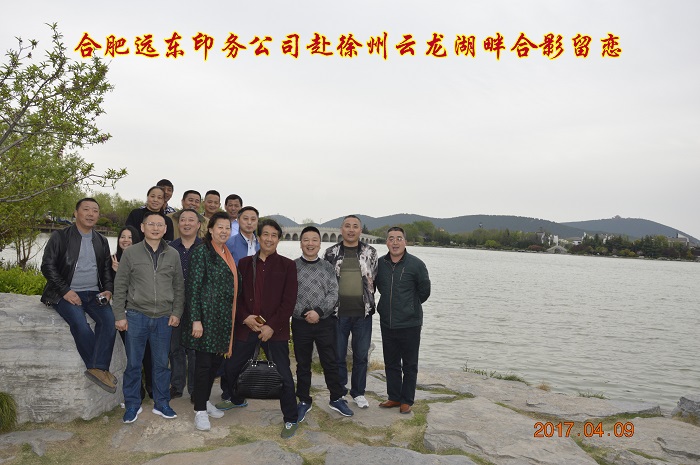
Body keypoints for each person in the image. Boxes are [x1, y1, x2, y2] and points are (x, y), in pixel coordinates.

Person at [219, 219, 299, 439]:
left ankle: (291, 418)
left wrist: (271, 326)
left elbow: (289, 301)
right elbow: (237, 296)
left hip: (275, 330)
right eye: (265, 234)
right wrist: (245, 317)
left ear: (278, 239)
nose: (269, 239)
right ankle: (237, 399)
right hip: (248, 326)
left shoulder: (287, 265)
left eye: (274, 235)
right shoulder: (245, 264)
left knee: (283, 375)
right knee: (231, 366)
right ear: (258, 237)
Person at [113, 210, 185, 424]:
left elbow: (179, 286)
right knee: (134, 364)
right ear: (143, 228)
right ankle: (132, 404)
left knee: (161, 364)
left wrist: (176, 312)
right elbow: (120, 285)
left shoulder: (173, 254)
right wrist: (119, 315)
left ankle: (162, 403)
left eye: (159, 225)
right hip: (136, 315)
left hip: (164, 317)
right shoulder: (131, 253)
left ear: (165, 229)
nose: (155, 228)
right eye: (151, 224)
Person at [40, 198, 117, 393]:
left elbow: (106, 270)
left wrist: (108, 289)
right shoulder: (60, 236)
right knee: (80, 324)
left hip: (95, 293)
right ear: (76, 213)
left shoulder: (101, 240)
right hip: (65, 292)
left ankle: (97, 368)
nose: (91, 214)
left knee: (109, 321)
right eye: (86, 209)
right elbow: (47, 266)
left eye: (95, 210)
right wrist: (65, 291)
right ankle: (100, 368)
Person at [181, 212, 239, 431]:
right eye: (220, 227)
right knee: (204, 366)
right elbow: (193, 288)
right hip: (205, 319)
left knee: (215, 364)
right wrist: (196, 320)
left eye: (227, 228)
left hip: (222, 319)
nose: (224, 231)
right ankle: (200, 411)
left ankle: (204, 400)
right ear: (211, 230)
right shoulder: (201, 252)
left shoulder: (226, 253)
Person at [293, 226, 353, 421]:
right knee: (303, 364)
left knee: (330, 361)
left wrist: (318, 312)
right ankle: (304, 400)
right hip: (300, 322)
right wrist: (305, 312)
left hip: (325, 322)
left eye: (314, 240)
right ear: (301, 243)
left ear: (319, 244)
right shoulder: (292, 267)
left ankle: (336, 398)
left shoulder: (327, 267)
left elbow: (333, 293)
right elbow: (288, 295)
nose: (310, 244)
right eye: (306, 240)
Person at [323, 215, 378, 409]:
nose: (351, 229)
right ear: (342, 229)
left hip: (363, 313)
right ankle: (339, 392)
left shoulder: (370, 252)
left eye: (355, 226)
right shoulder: (331, 252)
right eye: (347, 226)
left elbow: (374, 279)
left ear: (360, 230)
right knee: (338, 355)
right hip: (337, 313)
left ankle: (358, 392)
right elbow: (326, 282)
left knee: (361, 356)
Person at [375, 227, 431, 414]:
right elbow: (377, 287)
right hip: (387, 322)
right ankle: (394, 397)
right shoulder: (380, 264)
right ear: (387, 242)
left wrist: (409, 306)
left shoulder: (416, 264)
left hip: (410, 323)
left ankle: (407, 400)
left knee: (409, 364)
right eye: (391, 238)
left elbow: (424, 291)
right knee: (391, 363)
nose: (395, 242)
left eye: (399, 238)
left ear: (405, 242)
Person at [219, 205, 259, 401]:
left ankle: (244, 386)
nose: (249, 223)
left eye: (253, 219)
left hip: (256, 303)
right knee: (233, 350)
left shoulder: (261, 243)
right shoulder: (231, 243)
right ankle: (228, 390)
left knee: (250, 350)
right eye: (245, 219)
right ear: (238, 221)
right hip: (235, 302)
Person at [168, 209, 203, 401]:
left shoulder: (206, 248)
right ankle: (177, 385)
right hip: (174, 304)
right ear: (178, 224)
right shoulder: (169, 248)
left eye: (191, 220)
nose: (187, 223)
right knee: (175, 348)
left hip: (198, 305)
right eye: (183, 220)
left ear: (198, 225)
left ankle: (195, 389)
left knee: (195, 349)